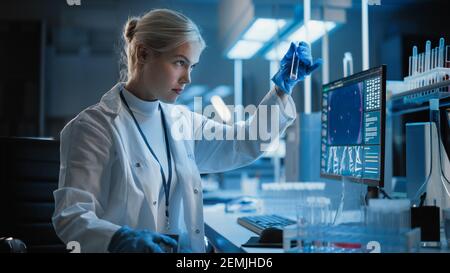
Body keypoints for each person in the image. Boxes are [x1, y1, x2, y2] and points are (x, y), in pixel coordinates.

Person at [52, 8, 321, 253]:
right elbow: (72, 216)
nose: (188, 78)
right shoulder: (93, 128)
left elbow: (243, 142)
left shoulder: (182, 120)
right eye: (179, 62)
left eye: (191, 66)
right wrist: (118, 238)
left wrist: (281, 91)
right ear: (143, 54)